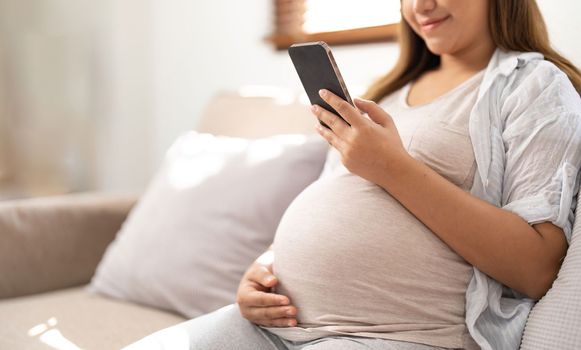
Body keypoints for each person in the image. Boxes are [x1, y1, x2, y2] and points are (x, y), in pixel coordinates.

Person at [126, 0, 581, 349]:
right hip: (281, 327)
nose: (420, 5)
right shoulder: (385, 94)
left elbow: (537, 267)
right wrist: (264, 268)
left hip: (397, 334)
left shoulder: (532, 84)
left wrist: (394, 168)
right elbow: (336, 198)